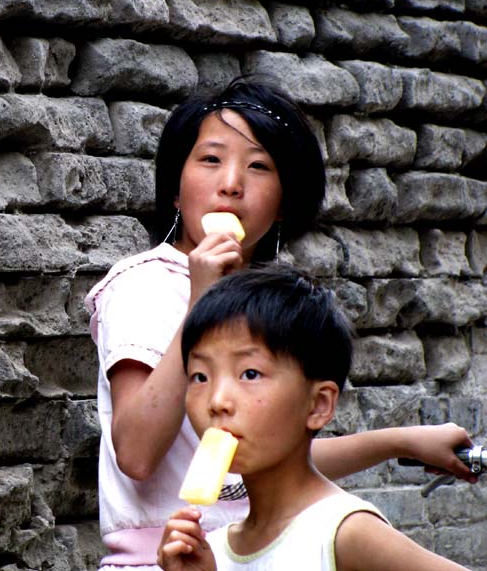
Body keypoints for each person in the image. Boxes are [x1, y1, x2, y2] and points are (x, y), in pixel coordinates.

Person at [85, 78, 475, 569]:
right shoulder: (144, 284)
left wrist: (398, 441)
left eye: (259, 166)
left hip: (251, 553)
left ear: (284, 202)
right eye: (210, 160)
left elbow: (266, 456)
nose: (231, 183)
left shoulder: (262, 299)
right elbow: (138, 455)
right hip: (164, 557)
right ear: (176, 189)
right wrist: (201, 297)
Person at [157, 265, 471, 571]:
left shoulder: (346, 533)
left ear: (318, 405)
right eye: (200, 377)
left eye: (249, 373)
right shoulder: (212, 550)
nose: (217, 401)